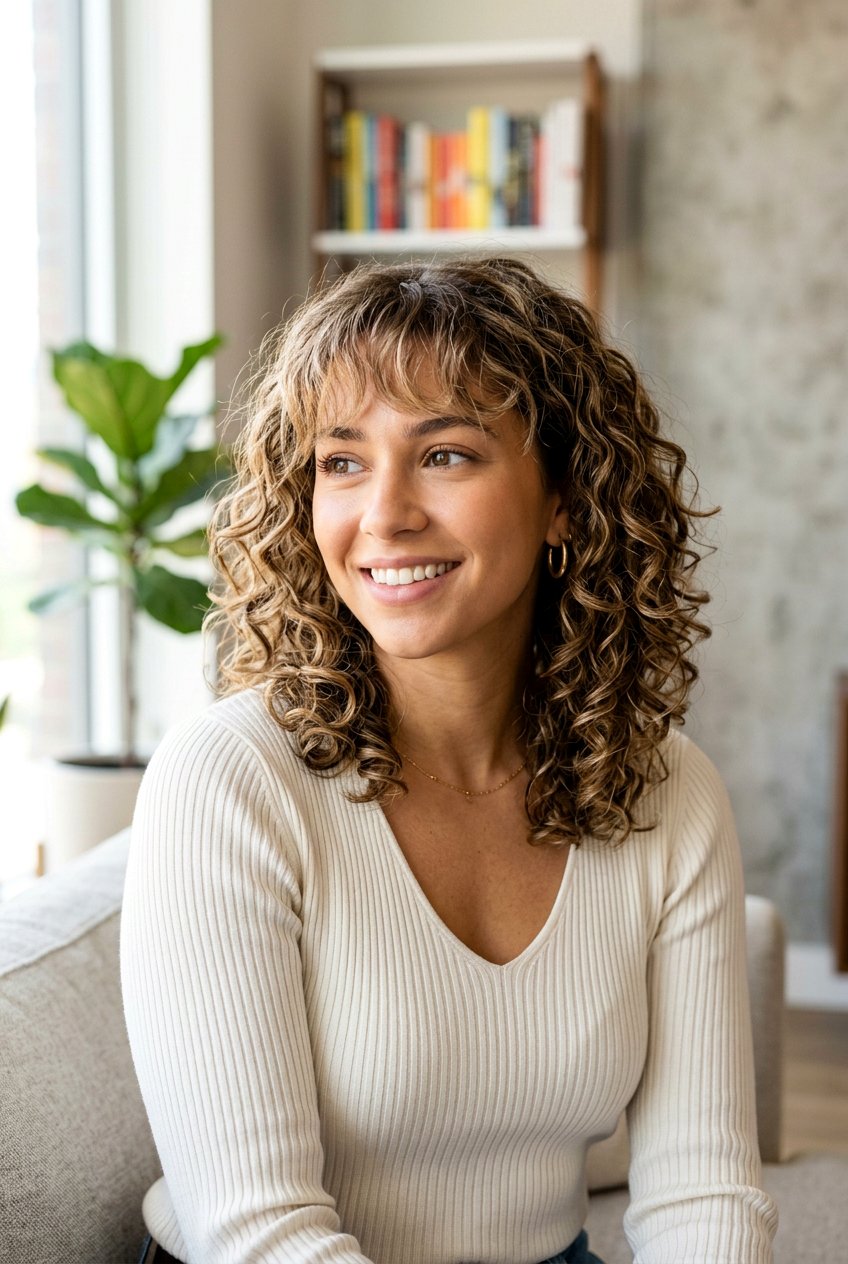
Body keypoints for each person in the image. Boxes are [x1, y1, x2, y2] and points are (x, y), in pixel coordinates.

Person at [121, 256, 778, 1264]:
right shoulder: (229, 780)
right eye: (340, 461)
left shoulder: (666, 792)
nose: (381, 514)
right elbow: (257, 1230)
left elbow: (703, 1192)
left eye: (445, 454)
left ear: (564, 497)